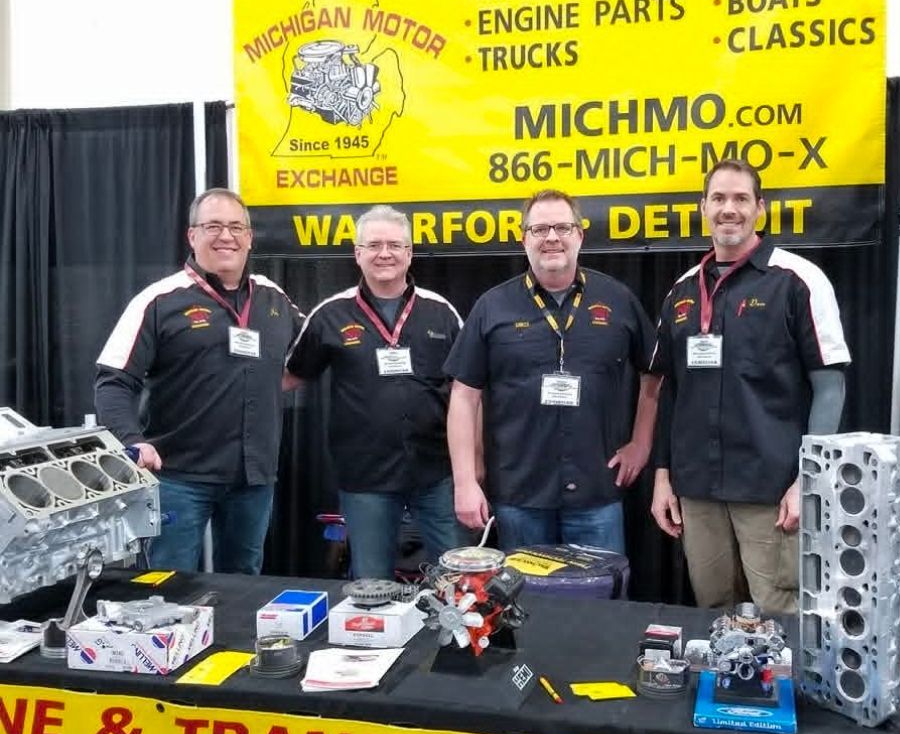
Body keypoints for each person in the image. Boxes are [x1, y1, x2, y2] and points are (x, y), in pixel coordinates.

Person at [649, 159, 849, 614]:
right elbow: (670, 392)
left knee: (780, 615)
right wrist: (663, 476)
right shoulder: (682, 291)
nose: (729, 208)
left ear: (760, 208)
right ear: (703, 207)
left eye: (741, 198)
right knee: (714, 613)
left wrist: (807, 481)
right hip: (697, 489)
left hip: (771, 490)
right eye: (718, 198)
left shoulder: (798, 280)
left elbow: (830, 387)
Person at [94, 188, 302, 574]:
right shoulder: (158, 300)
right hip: (178, 477)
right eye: (213, 226)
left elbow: (311, 353)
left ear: (249, 237)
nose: (226, 236)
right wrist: (132, 440)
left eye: (236, 227)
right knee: (168, 583)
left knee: (244, 582)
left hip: (254, 477)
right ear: (192, 236)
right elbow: (113, 381)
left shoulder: (273, 298)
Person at [445, 189, 659, 554]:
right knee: (523, 591)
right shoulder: (492, 306)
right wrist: (465, 481)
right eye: (540, 229)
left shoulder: (618, 299)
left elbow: (654, 373)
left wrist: (641, 444)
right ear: (523, 238)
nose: (552, 238)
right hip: (519, 495)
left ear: (580, 235)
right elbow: (464, 396)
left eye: (562, 227)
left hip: (597, 491)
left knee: (601, 590)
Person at [286, 205, 465, 579]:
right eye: (374, 245)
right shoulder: (330, 314)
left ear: (409, 253)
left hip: (436, 472)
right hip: (365, 477)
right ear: (358, 253)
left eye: (395, 245)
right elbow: (289, 377)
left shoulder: (441, 312)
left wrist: (473, 466)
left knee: (458, 579)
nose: (385, 254)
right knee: (371, 584)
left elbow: (469, 390)